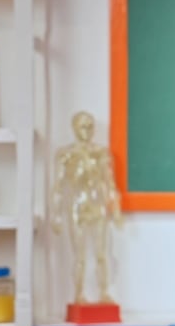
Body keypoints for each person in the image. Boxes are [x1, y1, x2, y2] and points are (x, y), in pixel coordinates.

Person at [51, 111, 123, 305]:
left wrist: (115, 209)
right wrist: (56, 215)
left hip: (97, 205)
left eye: (90, 126)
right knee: (79, 255)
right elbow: (58, 186)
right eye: (83, 126)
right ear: (75, 128)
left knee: (101, 253)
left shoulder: (101, 153)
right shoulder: (66, 155)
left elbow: (110, 183)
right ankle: (79, 294)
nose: (87, 131)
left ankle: (104, 292)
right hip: (77, 206)